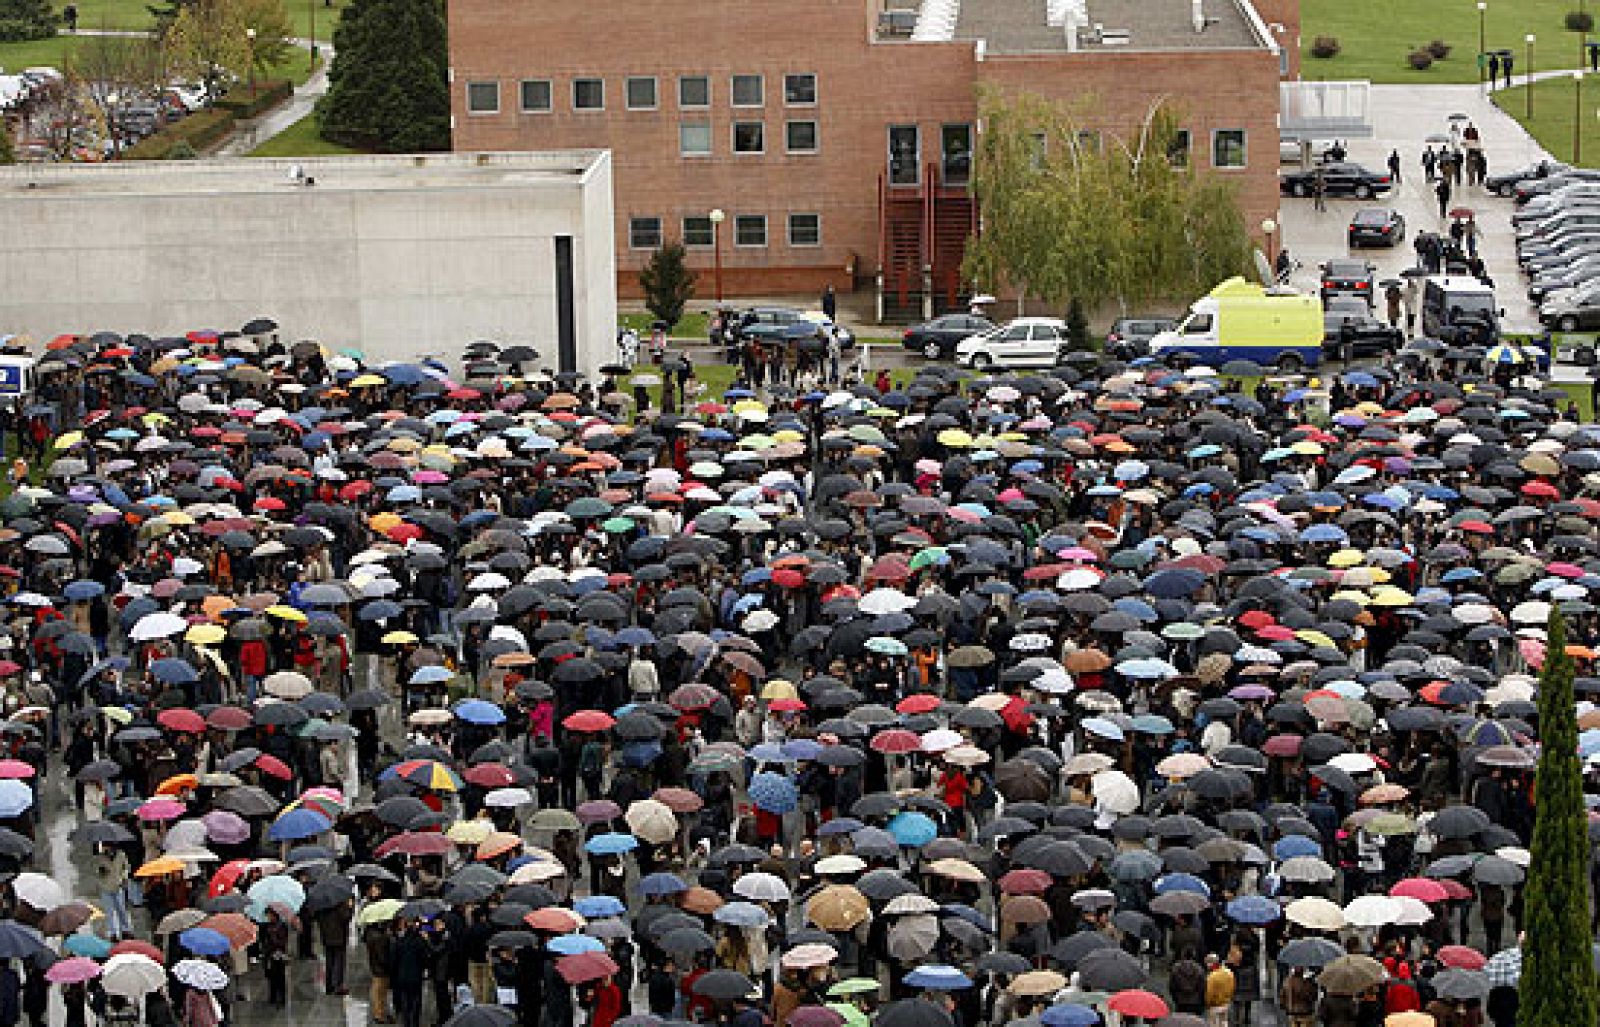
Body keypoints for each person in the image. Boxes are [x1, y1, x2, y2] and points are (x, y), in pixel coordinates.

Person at [1203, 953, 1235, 1027]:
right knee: (1224, 1023)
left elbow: (1209, 993)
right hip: (1226, 1003)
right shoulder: (1229, 972)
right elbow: (1232, 988)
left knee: (1214, 1024)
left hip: (1215, 1005)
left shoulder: (1212, 977)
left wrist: (1207, 1004)